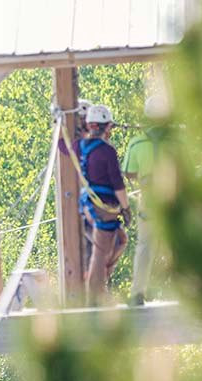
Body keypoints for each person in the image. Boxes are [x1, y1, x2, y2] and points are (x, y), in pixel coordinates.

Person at [75, 104, 132, 305]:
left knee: (120, 240)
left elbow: (63, 146)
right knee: (100, 251)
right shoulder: (107, 151)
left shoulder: (79, 146)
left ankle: (99, 279)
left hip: (88, 206)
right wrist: (125, 208)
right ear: (106, 127)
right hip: (103, 207)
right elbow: (117, 183)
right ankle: (95, 296)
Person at [123, 95, 167, 306]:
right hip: (172, 199)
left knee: (144, 247)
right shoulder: (176, 140)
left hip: (148, 200)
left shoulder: (137, 143)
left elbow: (129, 173)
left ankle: (137, 293)